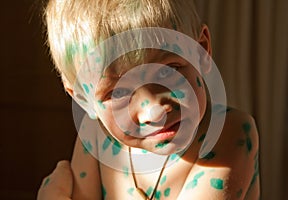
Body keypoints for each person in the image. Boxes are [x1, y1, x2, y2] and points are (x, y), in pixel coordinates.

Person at [38, 0, 260, 199]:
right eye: (119, 93)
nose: (154, 111)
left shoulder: (228, 133)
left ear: (201, 52)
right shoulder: (95, 135)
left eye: (168, 72)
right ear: (83, 99)